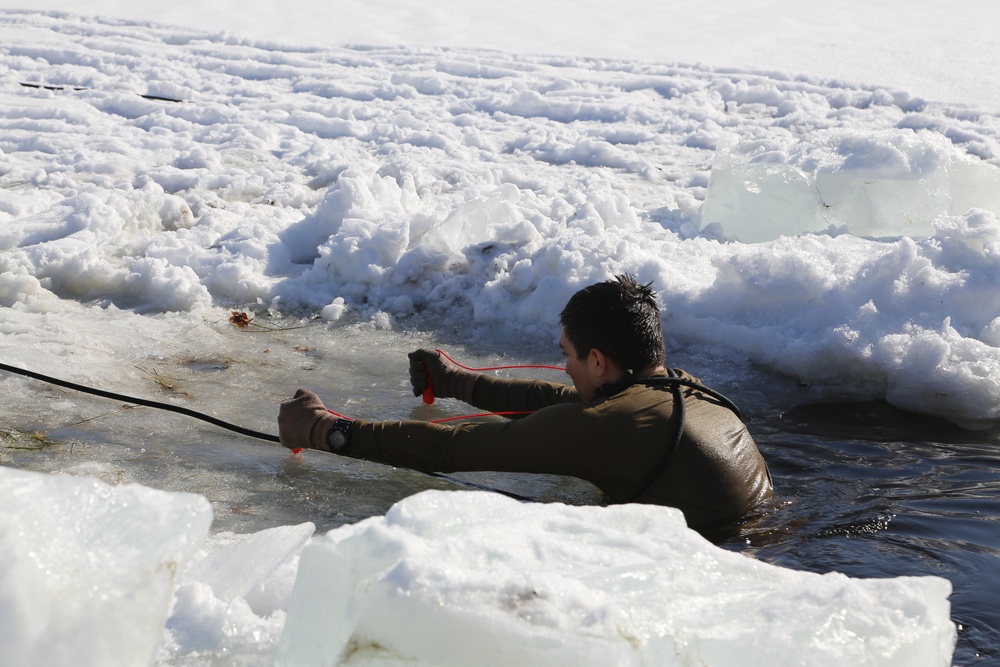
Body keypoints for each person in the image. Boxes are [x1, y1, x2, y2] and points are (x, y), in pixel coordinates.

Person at [278, 275, 772, 531]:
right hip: (770, 533)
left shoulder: (614, 424)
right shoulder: (683, 389)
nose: (565, 368)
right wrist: (459, 383)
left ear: (598, 361)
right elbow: (555, 402)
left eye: (569, 356)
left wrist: (325, 430)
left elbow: (456, 448)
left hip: (721, 558)